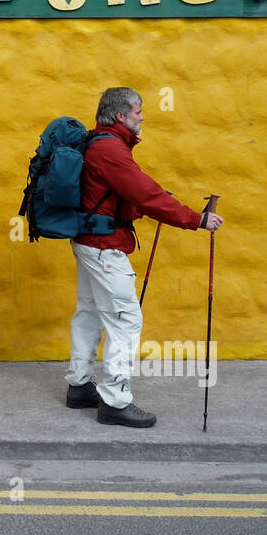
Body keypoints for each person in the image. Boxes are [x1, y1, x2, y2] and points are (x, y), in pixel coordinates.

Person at [66, 87, 223, 429]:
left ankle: (79, 386)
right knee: (125, 320)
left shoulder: (102, 143)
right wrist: (195, 219)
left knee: (90, 312)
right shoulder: (110, 148)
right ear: (120, 115)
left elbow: (121, 194)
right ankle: (115, 401)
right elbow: (144, 192)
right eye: (138, 110)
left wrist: (150, 203)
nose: (143, 116)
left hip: (91, 240)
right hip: (105, 247)